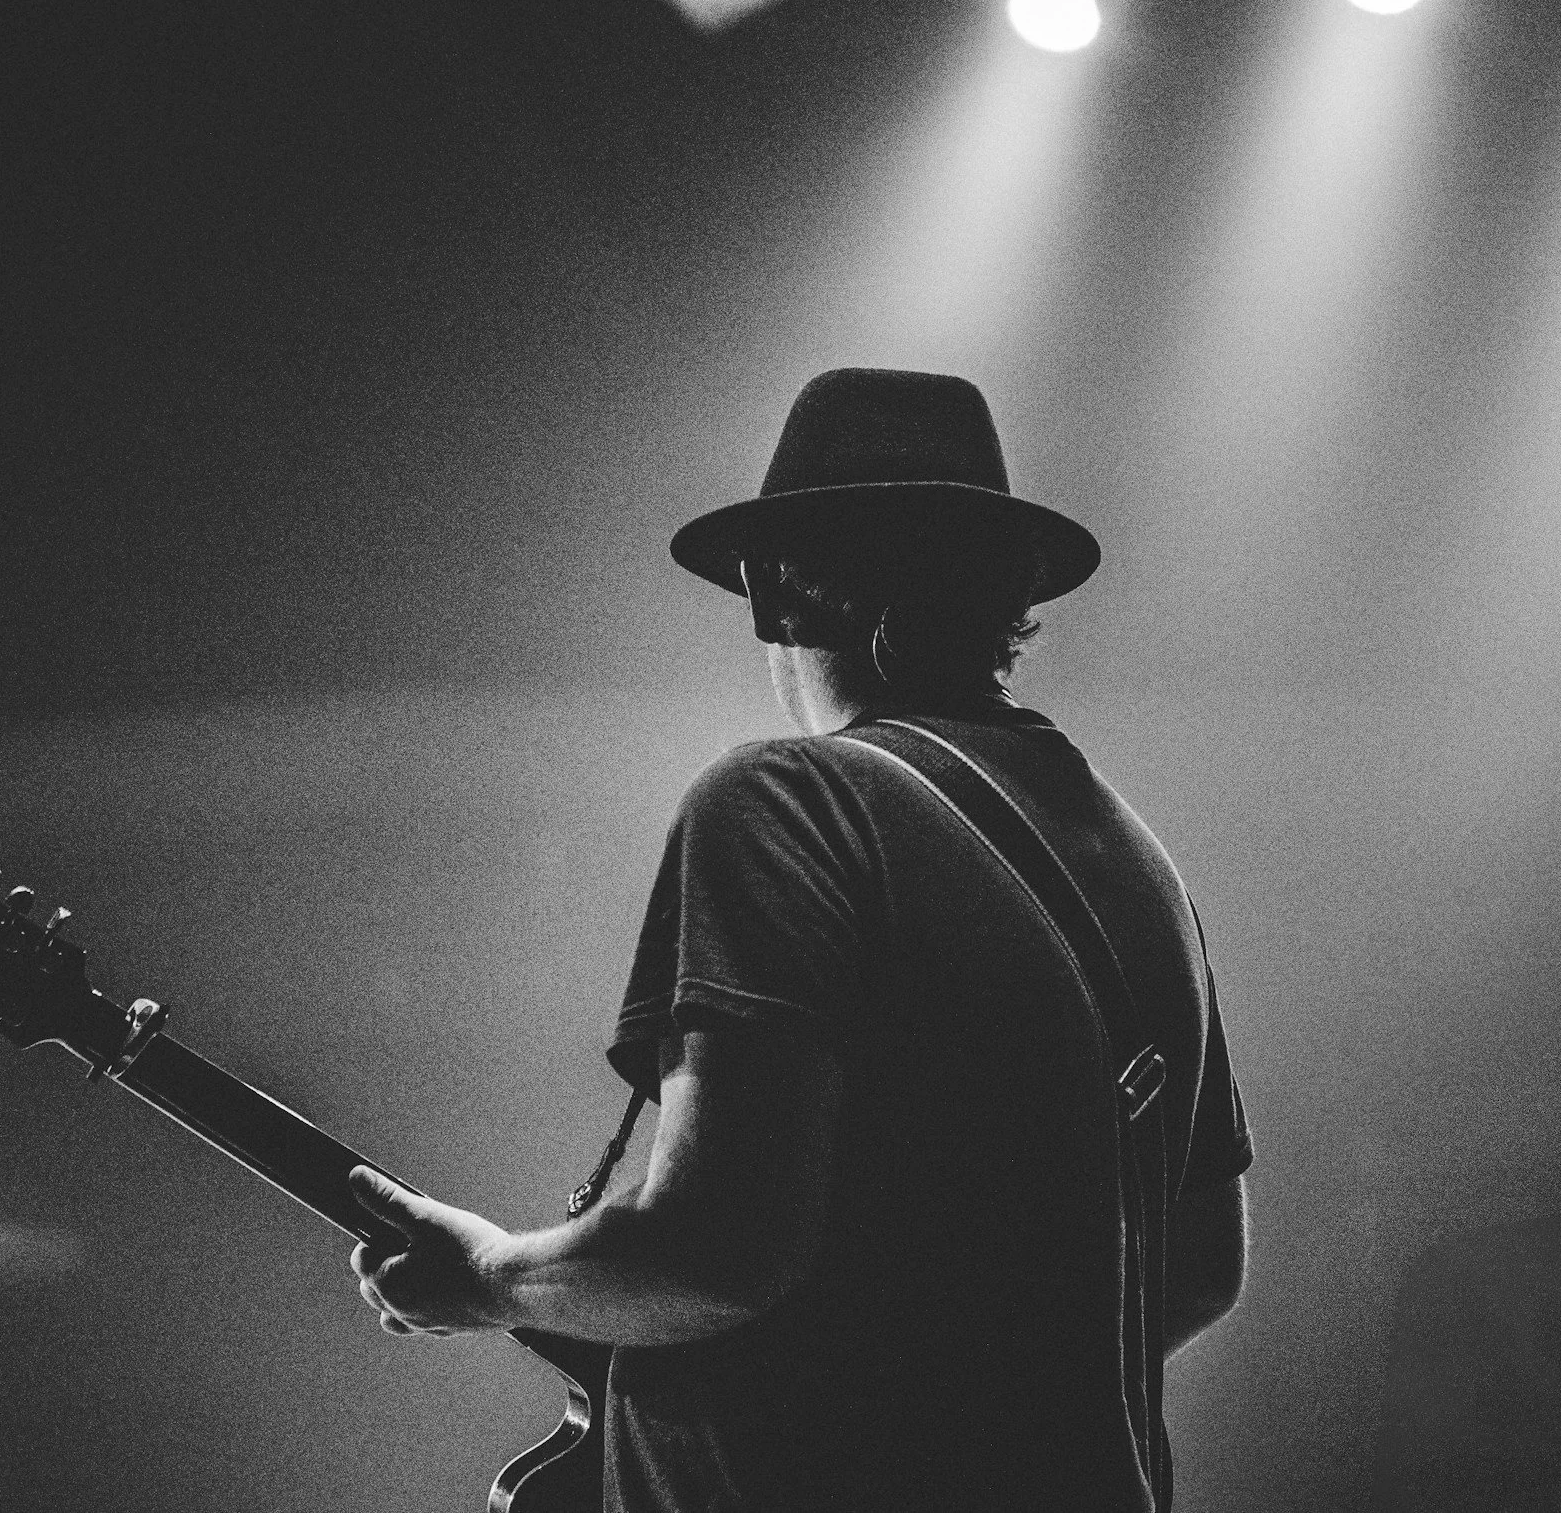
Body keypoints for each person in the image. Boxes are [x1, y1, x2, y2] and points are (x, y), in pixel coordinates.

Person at [348, 368, 1253, 1511]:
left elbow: (713, 1249)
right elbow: (1201, 1266)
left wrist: (491, 1276)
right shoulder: (1138, 865)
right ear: (1004, 599)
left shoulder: (786, 799)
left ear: (777, 590)